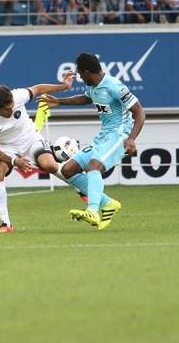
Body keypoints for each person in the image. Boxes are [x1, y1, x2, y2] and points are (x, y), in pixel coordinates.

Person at [0, 72, 119, 232]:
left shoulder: (17, 96)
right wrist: (14, 161)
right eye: (7, 110)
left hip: (30, 139)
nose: (12, 111)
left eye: (12, 107)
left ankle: (95, 195)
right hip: (6, 148)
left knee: (50, 165)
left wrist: (64, 86)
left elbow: (37, 89)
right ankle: (6, 224)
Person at [42, 52, 145, 230]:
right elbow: (86, 98)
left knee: (93, 167)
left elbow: (140, 112)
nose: (80, 77)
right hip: (103, 136)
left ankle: (92, 210)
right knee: (68, 170)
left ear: (88, 72)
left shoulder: (114, 86)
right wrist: (59, 102)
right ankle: (108, 204)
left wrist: (132, 139)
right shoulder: (94, 87)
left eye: (81, 74)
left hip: (119, 135)